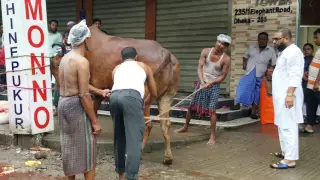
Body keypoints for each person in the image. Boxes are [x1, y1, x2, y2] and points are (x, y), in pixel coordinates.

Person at [58, 20, 103, 180]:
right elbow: (83, 94)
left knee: (70, 147)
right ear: (85, 40)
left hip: (63, 103)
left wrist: (100, 91)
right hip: (76, 106)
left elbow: (76, 83)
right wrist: (95, 121)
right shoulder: (82, 62)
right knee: (88, 149)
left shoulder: (65, 59)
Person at [174, 34, 231, 145]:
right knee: (191, 107)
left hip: (214, 86)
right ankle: (185, 127)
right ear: (216, 41)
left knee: (212, 110)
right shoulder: (205, 51)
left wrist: (211, 83)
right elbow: (200, 67)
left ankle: (213, 136)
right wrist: (202, 81)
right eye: (219, 42)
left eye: (224, 44)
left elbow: (223, 76)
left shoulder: (226, 59)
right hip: (202, 83)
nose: (220, 45)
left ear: (226, 47)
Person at [109, 47, 157, 180]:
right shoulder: (143, 66)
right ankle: (131, 177)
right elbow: (154, 92)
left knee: (119, 137)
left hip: (114, 98)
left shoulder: (116, 68)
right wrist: (145, 103)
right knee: (134, 140)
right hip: (132, 98)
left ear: (122, 58)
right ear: (136, 57)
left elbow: (118, 87)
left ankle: (121, 175)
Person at [270, 29, 304, 169]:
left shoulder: (294, 52)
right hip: (281, 96)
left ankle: (290, 160)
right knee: (281, 124)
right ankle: (286, 152)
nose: (274, 42)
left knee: (288, 126)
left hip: (288, 96)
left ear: (286, 38)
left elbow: (295, 75)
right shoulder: (284, 52)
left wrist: (290, 95)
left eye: (276, 39)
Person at [231, 32, 277, 119]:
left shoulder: (271, 51)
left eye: (264, 39)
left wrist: (271, 72)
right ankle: (237, 104)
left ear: (267, 40)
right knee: (242, 87)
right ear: (258, 39)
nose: (262, 41)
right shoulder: (252, 47)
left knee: (256, 94)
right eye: (260, 39)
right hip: (249, 72)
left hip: (260, 74)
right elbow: (245, 57)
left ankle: (253, 111)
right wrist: (244, 64)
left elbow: (274, 64)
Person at [304, 29, 320, 133]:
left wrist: (317, 83)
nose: (314, 40)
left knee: (313, 104)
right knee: (311, 105)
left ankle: (310, 124)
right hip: (311, 84)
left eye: (316, 37)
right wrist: (308, 73)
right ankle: (310, 125)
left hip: (316, 85)